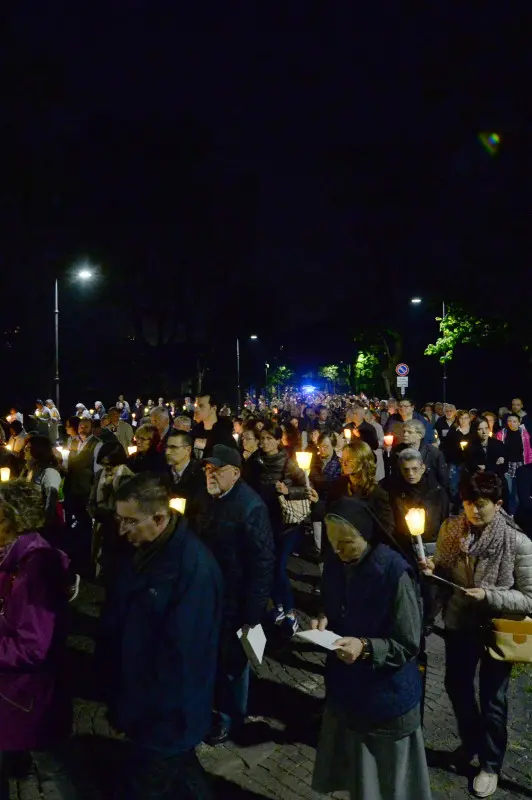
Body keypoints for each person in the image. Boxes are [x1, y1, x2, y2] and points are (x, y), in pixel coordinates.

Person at [96, 473, 222, 799]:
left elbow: (183, 655)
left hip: (166, 711)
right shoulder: (140, 548)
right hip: (145, 702)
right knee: (181, 775)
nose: (122, 530)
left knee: (145, 784)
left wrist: (146, 710)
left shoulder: (193, 569)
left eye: (129, 521)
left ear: (160, 518)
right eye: (118, 519)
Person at [311, 497, 431, 800]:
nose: (339, 551)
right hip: (349, 693)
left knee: (388, 783)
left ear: (366, 535)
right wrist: (325, 618)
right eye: (333, 544)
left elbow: (407, 643)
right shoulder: (338, 563)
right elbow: (335, 606)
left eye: (347, 543)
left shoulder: (394, 573)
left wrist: (365, 648)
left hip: (385, 697)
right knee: (360, 779)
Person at [422, 470, 532, 798]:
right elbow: (442, 565)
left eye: (481, 505)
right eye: (468, 503)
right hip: (460, 624)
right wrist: (432, 566)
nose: (473, 511)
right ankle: (471, 742)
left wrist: (489, 595)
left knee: (493, 699)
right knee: (456, 686)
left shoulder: (517, 542)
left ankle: (490, 764)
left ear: (497, 505)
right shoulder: (452, 529)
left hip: (497, 628)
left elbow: (529, 597)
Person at [0, 481, 78, 798]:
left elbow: (32, 647)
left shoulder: (35, 570)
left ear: (12, 520)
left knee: (51, 765)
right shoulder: (18, 557)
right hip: (18, 694)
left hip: (27, 696)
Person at [199, 445, 275, 745]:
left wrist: (252, 613)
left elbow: (262, 562)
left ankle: (231, 717)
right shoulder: (210, 500)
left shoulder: (249, 507)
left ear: (235, 472)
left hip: (236, 601)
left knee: (234, 664)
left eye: (217, 469)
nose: (210, 474)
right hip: (211, 597)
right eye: (207, 469)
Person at [88, 441, 135, 578]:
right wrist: (93, 511)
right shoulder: (99, 475)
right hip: (101, 521)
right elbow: (92, 498)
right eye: (104, 465)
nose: (107, 469)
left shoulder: (128, 477)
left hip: (118, 526)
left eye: (110, 465)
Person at [23, 435, 64, 544]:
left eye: (28, 449)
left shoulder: (49, 472)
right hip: (32, 522)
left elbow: (51, 504)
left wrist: (42, 526)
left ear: (38, 451)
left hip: (45, 528)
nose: (24, 451)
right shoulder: (32, 470)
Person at [394, 418, 449, 489]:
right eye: (404, 431)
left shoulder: (433, 453)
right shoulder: (397, 451)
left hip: (428, 493)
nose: (405, 434)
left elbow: (443, 479)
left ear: (420, 435)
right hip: (405, 492)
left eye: (409, 432)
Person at [496, 413, 532, 515]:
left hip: (521, 465)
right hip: (508, 466)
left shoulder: (524, 434)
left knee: (520, 492)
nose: (511, 423)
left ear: (519, 422)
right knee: (510, 491)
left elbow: (529, 451)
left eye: (514, 421)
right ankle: (511, 514)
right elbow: (498, 449)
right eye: (509, 421)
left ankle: (519, 514)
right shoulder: (501, 434)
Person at [193, 391, 237, 457]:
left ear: (213, 408)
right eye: (196, 406)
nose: (196, 409)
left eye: (201, 406)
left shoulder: (225, 433)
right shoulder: (195, 431)